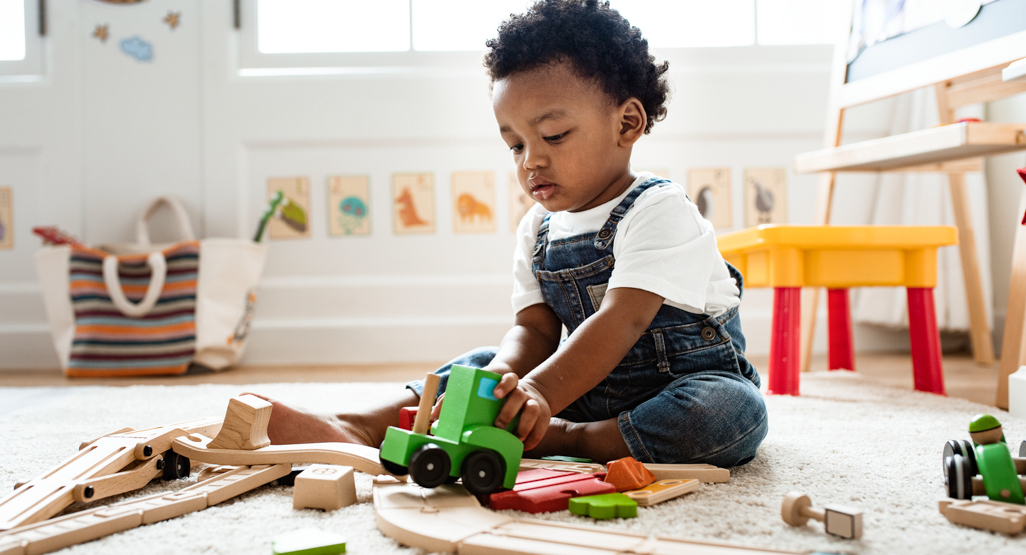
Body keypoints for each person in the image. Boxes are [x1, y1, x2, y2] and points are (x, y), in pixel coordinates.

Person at [256, 0, 767, 467]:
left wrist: (541, 395)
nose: (532, 160)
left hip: (679, 384)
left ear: (627, 123)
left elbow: (622, 321)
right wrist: (500, 387)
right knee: (477, 364)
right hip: (581, 385)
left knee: (728, 414)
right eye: (515, 145)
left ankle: (569, 439)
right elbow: (536, 332)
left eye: (553, 135)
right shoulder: (537, 228)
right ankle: (359, 426)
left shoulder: (659, 209)